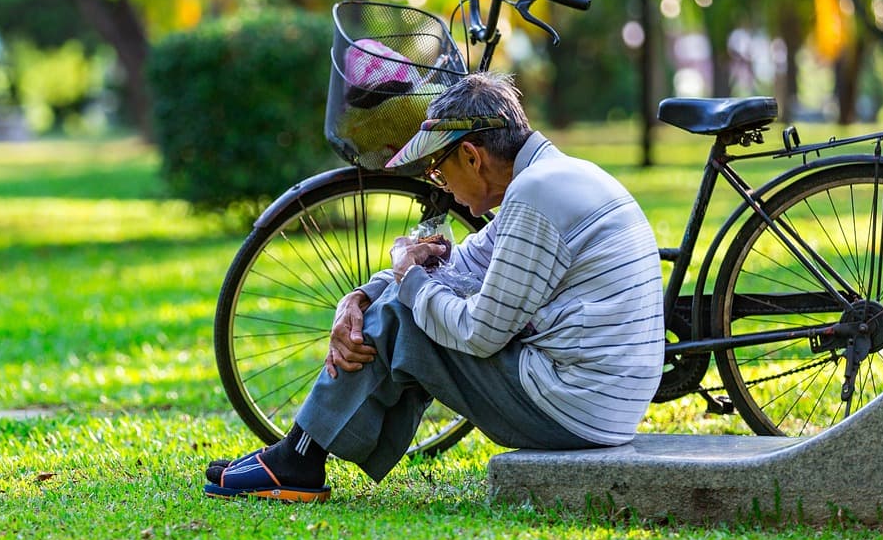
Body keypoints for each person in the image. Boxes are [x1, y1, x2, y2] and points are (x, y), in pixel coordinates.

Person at [205, 72, 664, 502]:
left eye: (439, 169)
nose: (438, 183)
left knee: (404, 312)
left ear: (472, 156)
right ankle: (299, 454)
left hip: (574, 410)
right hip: (599, 405)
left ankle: (298, 460)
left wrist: (407, 282)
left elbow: (478, 334)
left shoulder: (535, 195)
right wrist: (363, 294)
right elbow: (465, 262)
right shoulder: (554, 177)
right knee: (403, 299)